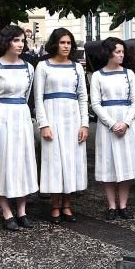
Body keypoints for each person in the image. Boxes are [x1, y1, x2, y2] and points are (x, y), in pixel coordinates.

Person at [0, 26, 38, 231]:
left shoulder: (29, 68)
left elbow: (28, 92)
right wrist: (3, 109)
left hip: (22, 115)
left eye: (22, 40)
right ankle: (6, 212)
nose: (20, 44)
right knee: (1, 161)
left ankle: (22, 211)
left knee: (23, 160)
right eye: (16, 40)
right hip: (3, 115)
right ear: (6, 42)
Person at [34, 28, 89, 223]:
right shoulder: (43, 66)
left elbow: (83, 97)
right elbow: (38, 98)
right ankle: (55, 205)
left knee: (71, 160)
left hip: (72, 118)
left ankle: (67, 204)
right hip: (52, 116)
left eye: (69, 43)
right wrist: (44, 124)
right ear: (55, 44)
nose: (66, 46)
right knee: (54, 161)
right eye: (62, 42)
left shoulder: (77, 67)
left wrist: (84, 124)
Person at [90, 37, 135, 220]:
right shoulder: (97, 76)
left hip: (126, 123)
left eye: (122, 52)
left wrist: (127, 122)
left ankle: (123, 204)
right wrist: (112, 124)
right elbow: (95, 104)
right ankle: (111, 206)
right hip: (107, 125)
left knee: (126, 165)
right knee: (109, 165)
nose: (121, 55)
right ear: (109, 53)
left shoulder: (129, 74)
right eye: (118, 52)